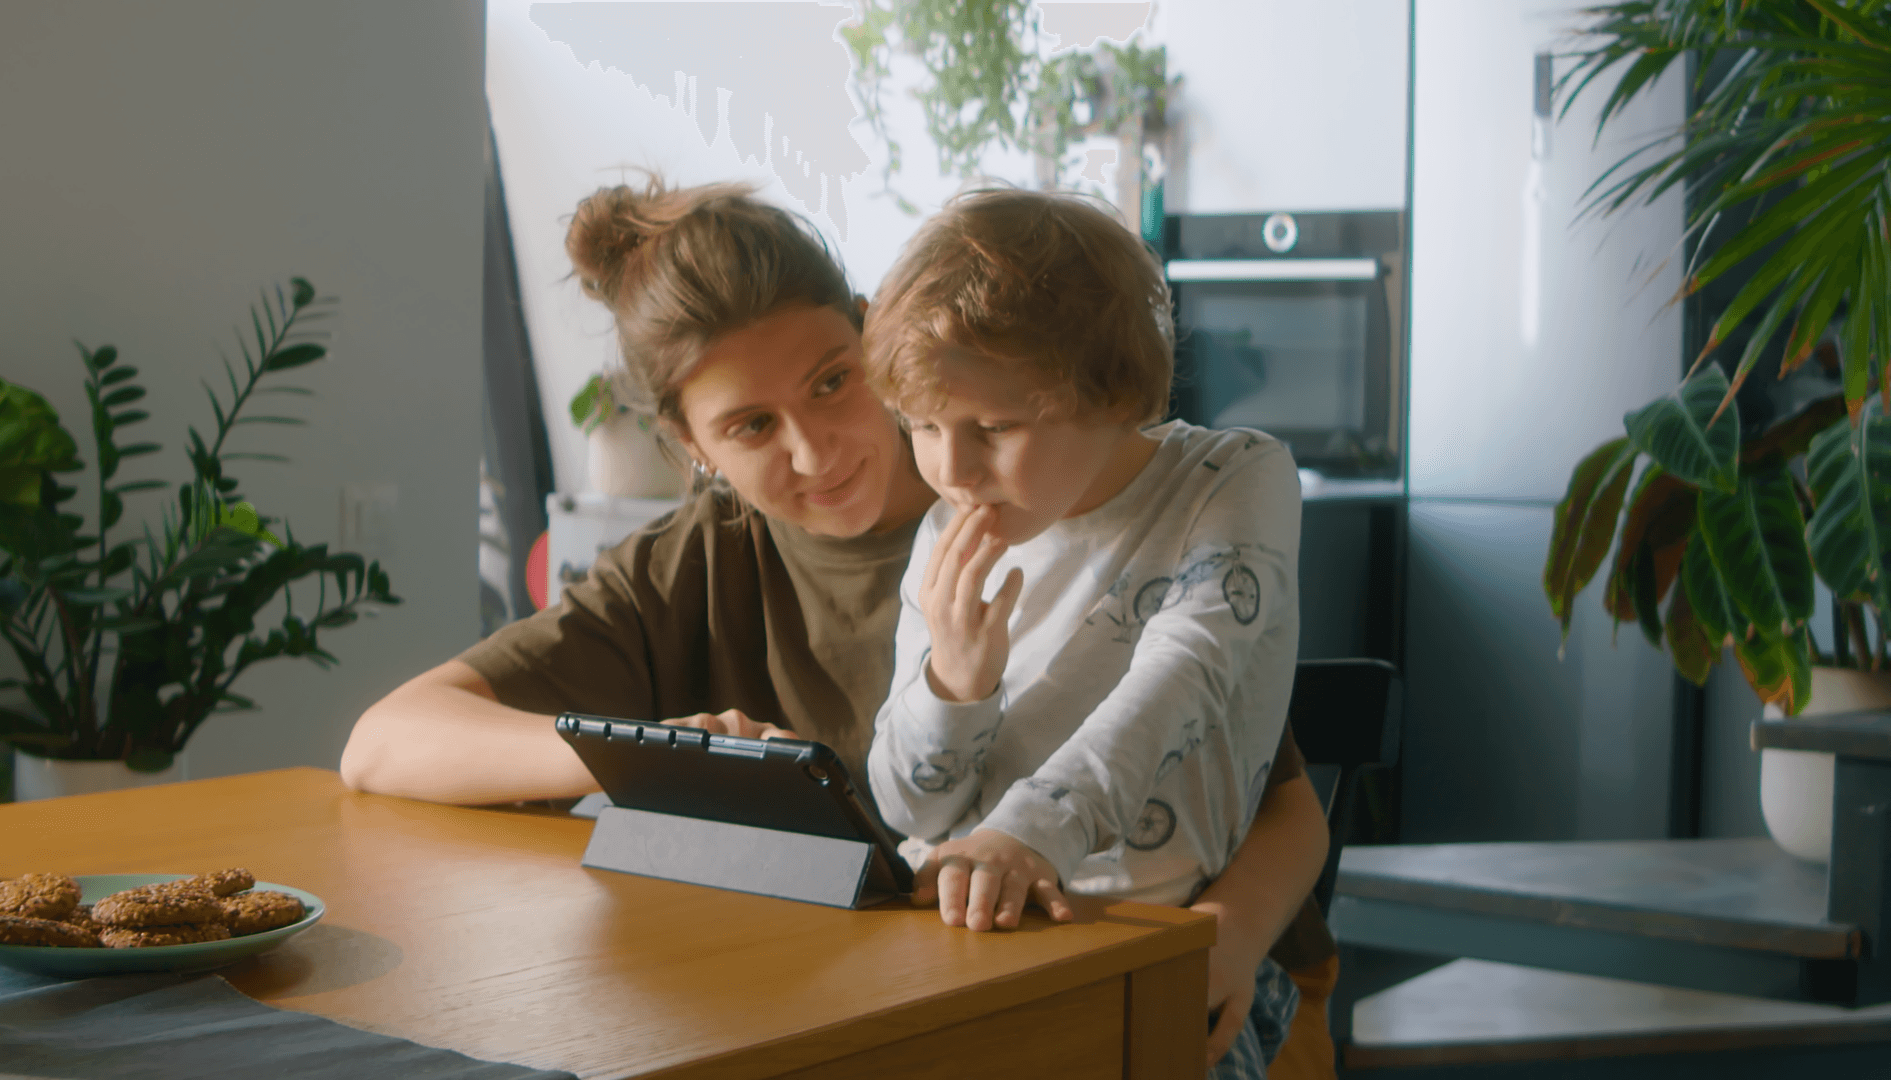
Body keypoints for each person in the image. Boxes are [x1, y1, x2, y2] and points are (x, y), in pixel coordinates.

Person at [337, 174, 1339, 1075]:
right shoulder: (696, 562)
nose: (818, 452)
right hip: (924, 996)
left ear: (876, 337)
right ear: (690, 444)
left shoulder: (1067, 496)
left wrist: (1225, 937)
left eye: (832, 381)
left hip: (1209, 979)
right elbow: (385, 742)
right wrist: (657, 754)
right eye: (752, 427)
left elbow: (1278, 797)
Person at [861, 188, 1302, 1079]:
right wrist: (955, 684)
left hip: (1146, 946)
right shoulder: (947, 534)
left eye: (995, 427)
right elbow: (910, 809)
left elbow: (1179, 680)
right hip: (954, 939)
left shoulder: (1232, 477)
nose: (952, 470)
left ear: (1114, 393)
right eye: (923, 427)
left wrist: (1025, 837)